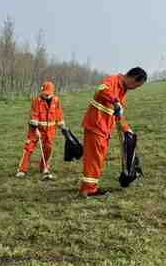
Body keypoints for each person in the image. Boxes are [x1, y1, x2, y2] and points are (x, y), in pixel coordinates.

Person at [79, 66, 147, 197]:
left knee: (98, 160)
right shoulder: (113, 81)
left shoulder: (123, 92)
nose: (134, 89)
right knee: (94, 160)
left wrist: (128, 130)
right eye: (136, 86)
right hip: (96, 126)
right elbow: (101, 90)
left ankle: (90, 187)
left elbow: (119, 116)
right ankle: (88, 190)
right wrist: (115, 101)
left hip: (104, 130)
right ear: (132, 78)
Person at [16, 81, 66, 180]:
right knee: (29, 148)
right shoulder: (36, 101)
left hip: (50, 130)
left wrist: (62, 125)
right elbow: (34, 115)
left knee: (48, 148)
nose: (46, 95)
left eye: (48, 93)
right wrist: (35, 129)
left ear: (52, 92)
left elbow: (59, 113)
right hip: (35, 129)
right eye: (44, 93)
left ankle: (44, 168)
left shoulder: (56, 100)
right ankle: (22, 170)